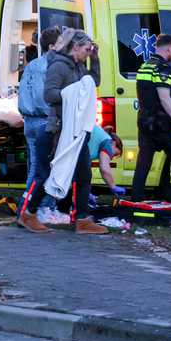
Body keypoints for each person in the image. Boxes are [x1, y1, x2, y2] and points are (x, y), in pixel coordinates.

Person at [39, 28, 109, 234]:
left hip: (78, 132)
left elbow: (93, 83)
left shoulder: (79, 67)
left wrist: (95, 60)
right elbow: (49, 94)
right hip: (59, 130)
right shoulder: (59, 66)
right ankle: (29, 213)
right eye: (87, 49)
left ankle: (82, 219)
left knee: (84, 174)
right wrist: (73, 96)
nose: (88, 52)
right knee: (46, 175)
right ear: (75, 47)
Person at [129, 33, 171, 207]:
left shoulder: (144, 67)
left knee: (143, 163)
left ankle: (136, 199)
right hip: (163, 124)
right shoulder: (164, 69)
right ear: (168, 49)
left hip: (145, 122)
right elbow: (164, 98)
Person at [16, 25, 63, 233]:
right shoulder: (50, 67)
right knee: (43, 171)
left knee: (37, 168)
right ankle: (29, 211)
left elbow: (26, 94)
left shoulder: (31, 65)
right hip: (45, 121)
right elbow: (44, 97)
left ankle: (42, 208)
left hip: (30, 122)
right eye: (61, 43)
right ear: (52, 47)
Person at [88, 125, 126, 198]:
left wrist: (85, 193)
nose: (111, 158)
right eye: (115, 154)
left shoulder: (95, 143)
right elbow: (104, 169)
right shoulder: (108, 141)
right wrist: (113, 186)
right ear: (114, 143)